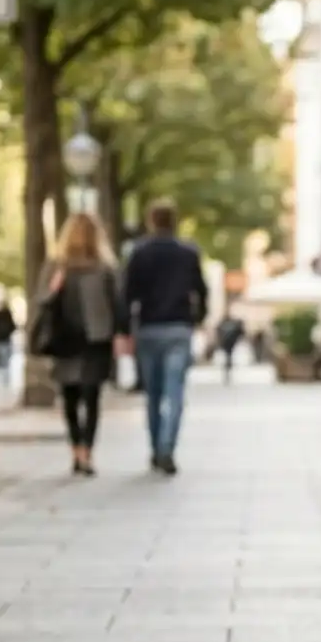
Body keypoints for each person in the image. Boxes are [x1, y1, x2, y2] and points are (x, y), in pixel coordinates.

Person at [120, 199, 208, 475]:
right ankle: (167, 447)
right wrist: (198, 318)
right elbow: (202, 290)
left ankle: (156, 448)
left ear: (150, 221)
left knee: (154, 394)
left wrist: (124, 328)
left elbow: (127, 293)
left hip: (148, 328)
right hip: (179, 327)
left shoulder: (139, 252)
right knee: (175, 392)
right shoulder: (188, 252)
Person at [41, 212, 125, 476]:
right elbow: (117, 305)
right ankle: (85, 452)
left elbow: (40, 301)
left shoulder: (59, 265)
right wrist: (120, 334)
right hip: (92, 338)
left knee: (72, 398)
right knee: (89, 398)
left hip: (69, 339)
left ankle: (79, 451)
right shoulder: (101, 268)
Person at [0, 301, 17, 388]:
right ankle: (5, 379)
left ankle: (2, 379)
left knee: (1, 361)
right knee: (5, 361)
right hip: (5, 340)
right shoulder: (6, 314)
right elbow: (13, 326)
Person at [215, 312, 247, 384]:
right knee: (229, 355)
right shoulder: (232, 325)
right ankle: (228, 366)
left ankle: (227, 367)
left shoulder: (223, 324)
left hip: (225, 342)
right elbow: (240, 332)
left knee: (228, 355)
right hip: (231, 342)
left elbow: (218, 331)